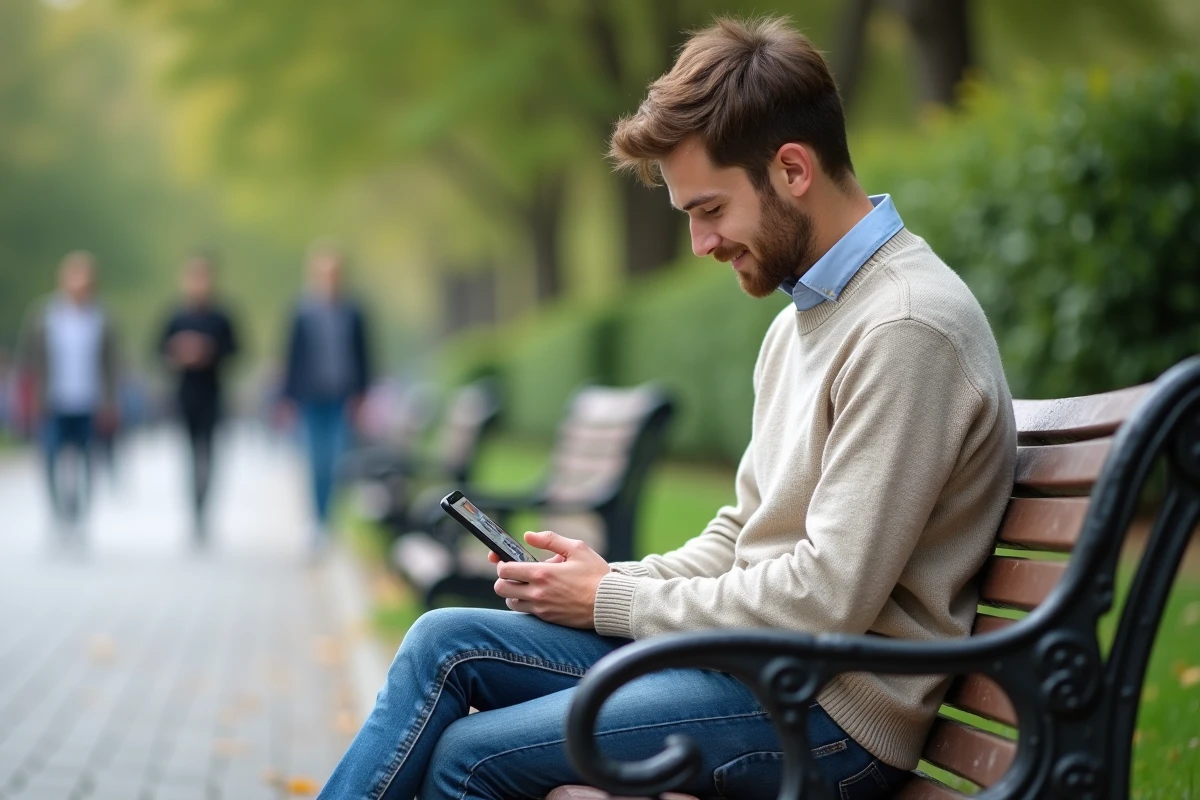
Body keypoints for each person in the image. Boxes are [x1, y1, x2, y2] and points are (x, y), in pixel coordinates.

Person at [318, 17, 1016, 800]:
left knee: (469, 756)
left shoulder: (905, 326)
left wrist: (615, 601)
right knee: (441, 641)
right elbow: (747, 533)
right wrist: (606, 581)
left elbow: (824, 599)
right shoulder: (804, 321)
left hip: (826, 717)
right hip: (757, 671)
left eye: (709, 209)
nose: (699, 243)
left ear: (792, 170)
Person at [17, 251, 120, 533]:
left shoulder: (102, 318)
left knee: (88, 460)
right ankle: (58, 510)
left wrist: (111, 402)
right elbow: (28, 361)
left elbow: (111, 364)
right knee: (50, 457)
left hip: (89, 400)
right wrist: (26, 400)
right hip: (52, 401)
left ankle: (81, 512)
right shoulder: (43, 316)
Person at [279, 246, 372, 550]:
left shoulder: (353, 313)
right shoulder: (302, 312)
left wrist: (362, 395)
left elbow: (364, 356)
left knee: (335, 462)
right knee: (314, 462)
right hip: (310, 400)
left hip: (341, 399)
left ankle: (328, 521)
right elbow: (291, 357)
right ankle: (317, 522)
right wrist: (287, 398)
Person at [157, 254, 240, 542]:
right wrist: (179, 352)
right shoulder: (176, 316)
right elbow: (158, 351)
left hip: (212, 395)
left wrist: (209, 351)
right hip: (185, 395)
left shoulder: (221, 317)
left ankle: (204, 509)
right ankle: (194, 510)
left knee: (209, 456)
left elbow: (236, 350)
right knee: (191, 456)